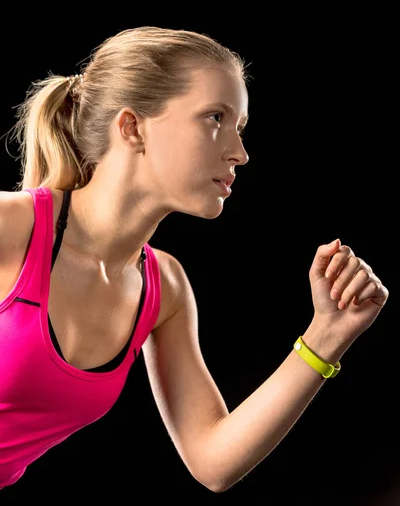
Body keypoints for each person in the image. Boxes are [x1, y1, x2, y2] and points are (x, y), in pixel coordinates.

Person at [0, 26, 389, 492]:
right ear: (132, 127)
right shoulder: (12, 227)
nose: (240, 153)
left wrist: (326, 336)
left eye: (240, 127)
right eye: (214, 118)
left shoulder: (164, 289)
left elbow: (213, 460)